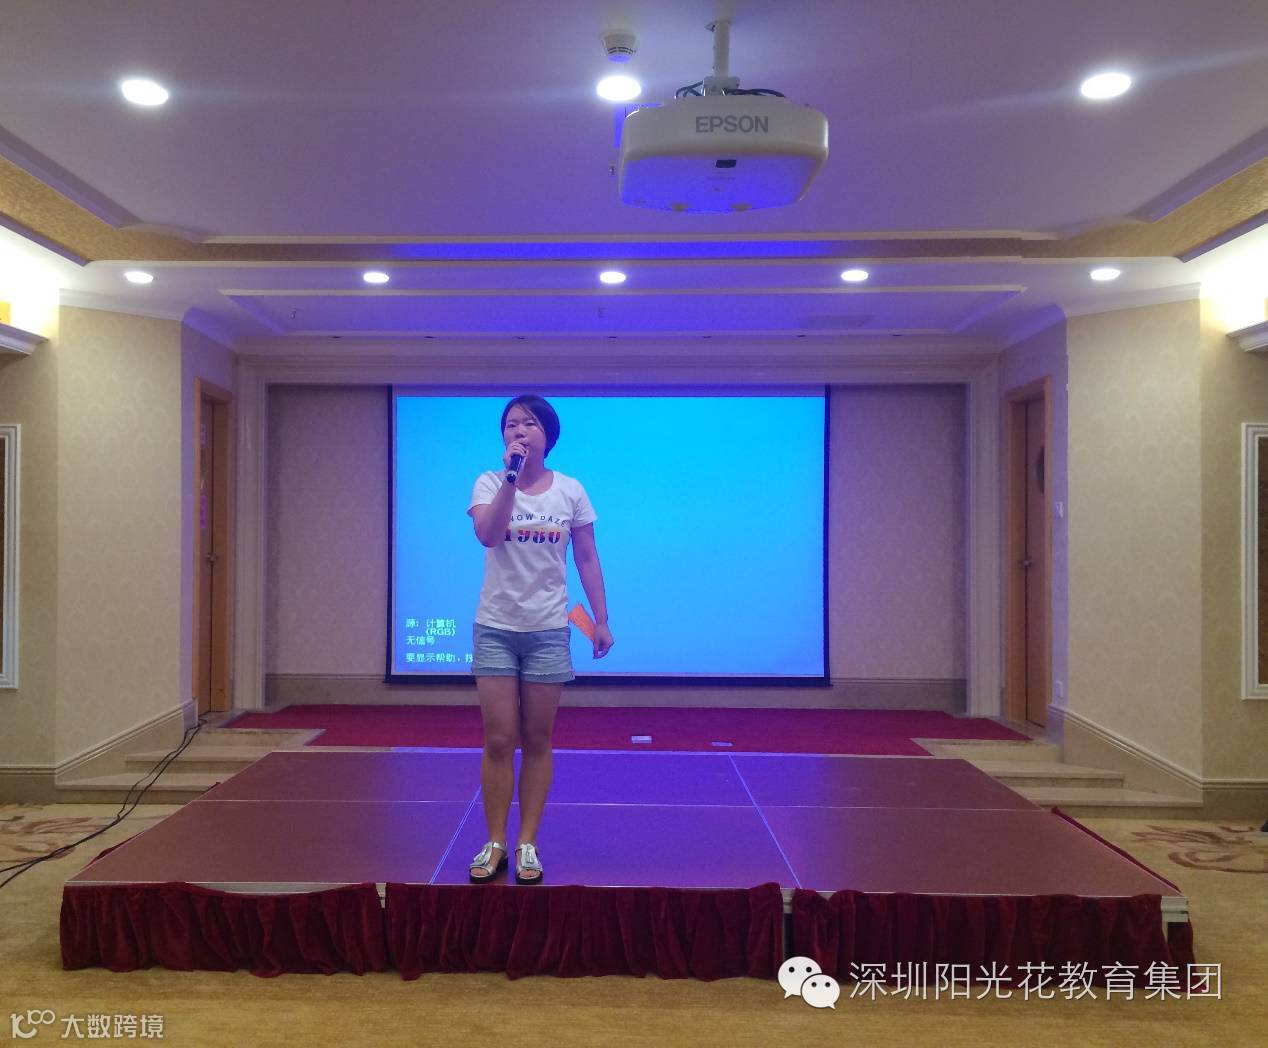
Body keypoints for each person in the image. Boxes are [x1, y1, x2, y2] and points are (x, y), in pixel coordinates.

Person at [466, 394, 613, 884]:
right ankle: (495, 842)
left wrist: (601, 619)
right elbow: (488, 535)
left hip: (548, 630)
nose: (519, 431)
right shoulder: (490, 482)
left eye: (529, 423)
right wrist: (511, 479)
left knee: (536, 739)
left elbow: (587, 558)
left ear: (548, 435)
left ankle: (527, 842)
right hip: (496, 628)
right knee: (498, 738)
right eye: (511, 424)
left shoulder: (570, 490)